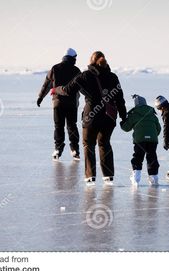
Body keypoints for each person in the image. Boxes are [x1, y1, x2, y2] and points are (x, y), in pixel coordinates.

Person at [52, 51, 127, 186]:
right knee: (105, 143)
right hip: (109, 117)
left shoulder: (85, 76)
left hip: (91, 116)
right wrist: (123, 117)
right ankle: (108, 176)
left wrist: (56, 89)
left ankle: (90, 177)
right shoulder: (113, 77)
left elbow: (68, 90)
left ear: (91, 61)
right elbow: (120, 100)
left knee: (88, 144)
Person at [37, 48, 81, 161]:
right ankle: (75, 149)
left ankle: (58, 148)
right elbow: (83, 87)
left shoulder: (55, 68)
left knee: (58, 126)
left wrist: (41, 97)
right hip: (72, 104)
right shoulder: (76, 70)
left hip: (58, 103)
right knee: (72, 126)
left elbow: (47, 84)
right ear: (73, 58)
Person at [120, 94, 161, 186]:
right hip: (152, 140)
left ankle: (136, 177)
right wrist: (152, 136)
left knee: (138, 157)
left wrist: (122, 122)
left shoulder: (134, 114)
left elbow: (126, 128)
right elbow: (158, 128)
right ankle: (154, 177)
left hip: (140, 140)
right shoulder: (152, 114)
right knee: (152, 157)